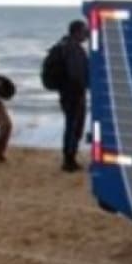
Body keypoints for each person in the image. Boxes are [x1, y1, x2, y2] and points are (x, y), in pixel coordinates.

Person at [56, 20, 90, 172]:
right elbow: (77, 74)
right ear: (76, 32)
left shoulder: (66, 45)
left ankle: (69, 158)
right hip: (74, 95)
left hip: (67, 93)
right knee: (74, 126)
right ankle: (69, 160)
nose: (86, 34)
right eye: (84, 31)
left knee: (72, 125)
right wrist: (87, 84)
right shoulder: (73, 49)